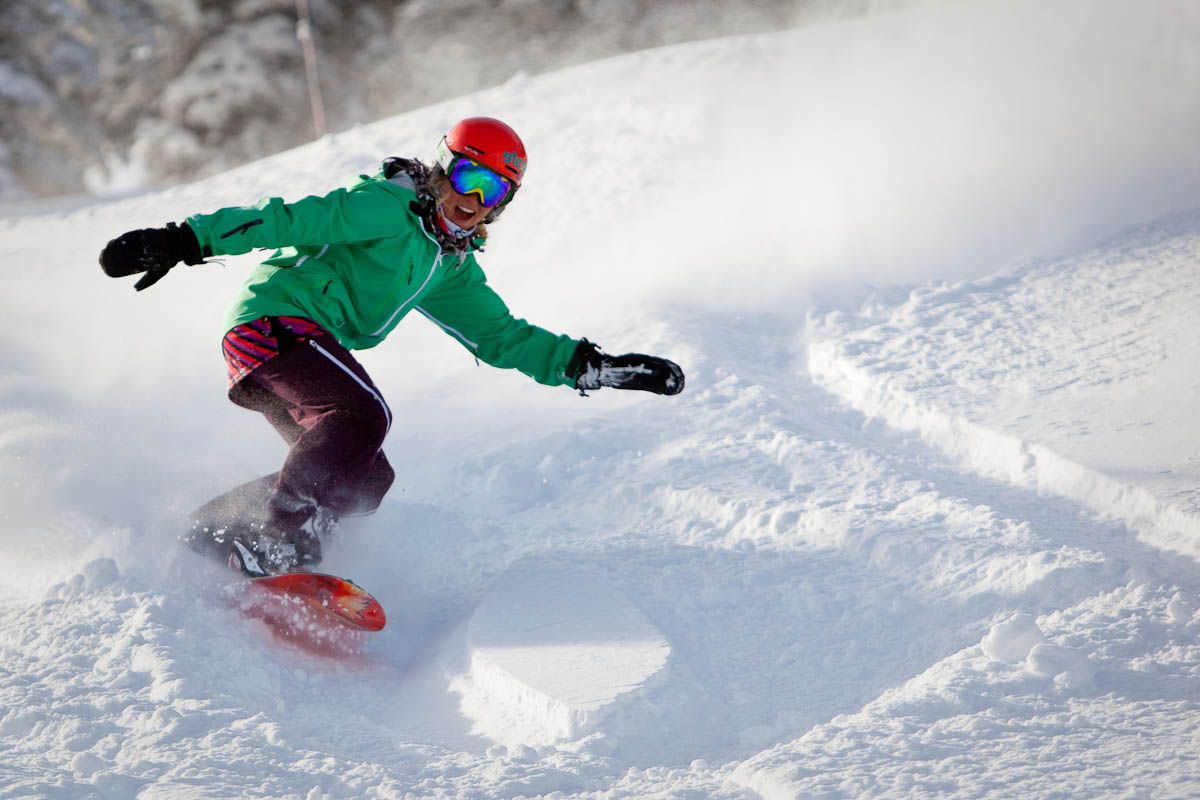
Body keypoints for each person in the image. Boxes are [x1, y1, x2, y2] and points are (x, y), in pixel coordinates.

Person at [99, 117, 684, 577]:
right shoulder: (385, 205)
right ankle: (279, 540)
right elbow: (289, 221)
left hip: (294, 350)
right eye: (467, 179)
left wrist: (590, 367)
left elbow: (503, 337)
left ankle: (214, 531)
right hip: (273, 323)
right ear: (443, 170)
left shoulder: (448, 267)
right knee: (362, 415)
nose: (475, 200)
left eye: (495, 192)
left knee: (367, 479)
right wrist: (185, 238)